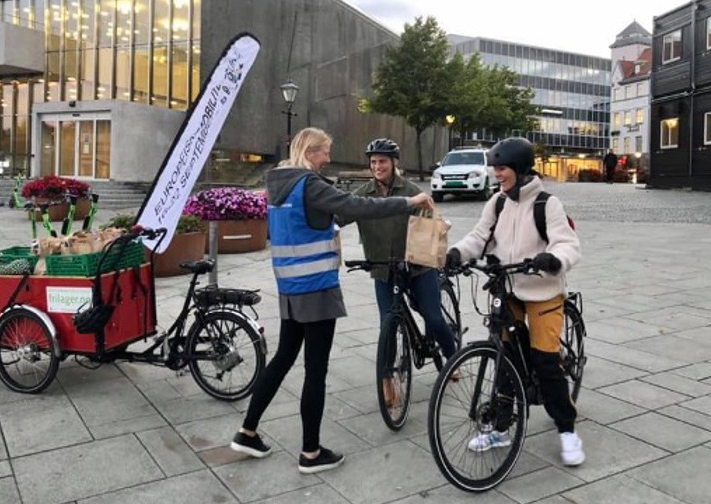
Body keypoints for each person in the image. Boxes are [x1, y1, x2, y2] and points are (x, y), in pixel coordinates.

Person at [231, 127, 435, 474]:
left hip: (290, 287)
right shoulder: (309, 184)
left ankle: (247, 431)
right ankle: (310, 452)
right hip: (317, 288)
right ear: (310, 152)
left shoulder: (279, 186)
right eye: (325, 151)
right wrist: (408, 201)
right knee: (316, 371)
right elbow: (356, 206)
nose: (328, 158)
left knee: (282, 359)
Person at [444, 137, 584, 466]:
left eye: (502, 168)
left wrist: (552, 259)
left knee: (546, 362)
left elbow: (568, 243)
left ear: (520, 169)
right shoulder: (497, 203)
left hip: (542, 292)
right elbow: (479, 237)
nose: (497, 174)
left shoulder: (547, 204)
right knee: (503, 357)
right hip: (507, 288)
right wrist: (457, 253)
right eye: (495, 169)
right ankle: (500, 427)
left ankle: (566, 429)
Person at [340, 138, 457, 406]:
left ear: (394, 163)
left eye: (382, 161)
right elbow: (339, 217)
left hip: (417, 268)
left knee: (433, 317)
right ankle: (386, 381)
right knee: (387, 326)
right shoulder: (362, 195)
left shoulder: (412, 191)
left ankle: (453, 359)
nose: (377, 166)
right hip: (383, 271)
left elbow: (429, 226)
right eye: (373, 162)